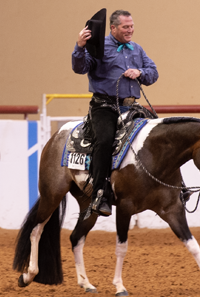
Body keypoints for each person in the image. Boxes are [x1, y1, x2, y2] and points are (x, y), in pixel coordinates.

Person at [72, 9, 159, 219]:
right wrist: (80, 47)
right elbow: (80, 67)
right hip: (104, 106)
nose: (130, 30)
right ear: (113, 28)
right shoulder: (98, 46)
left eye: (132, 26)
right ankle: (100, 193)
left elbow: (153, 72)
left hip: (131, 107)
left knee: (162, 136)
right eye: (125, 27)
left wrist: (141, 72)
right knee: (104, 141)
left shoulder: (137, 49)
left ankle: (174, 189)